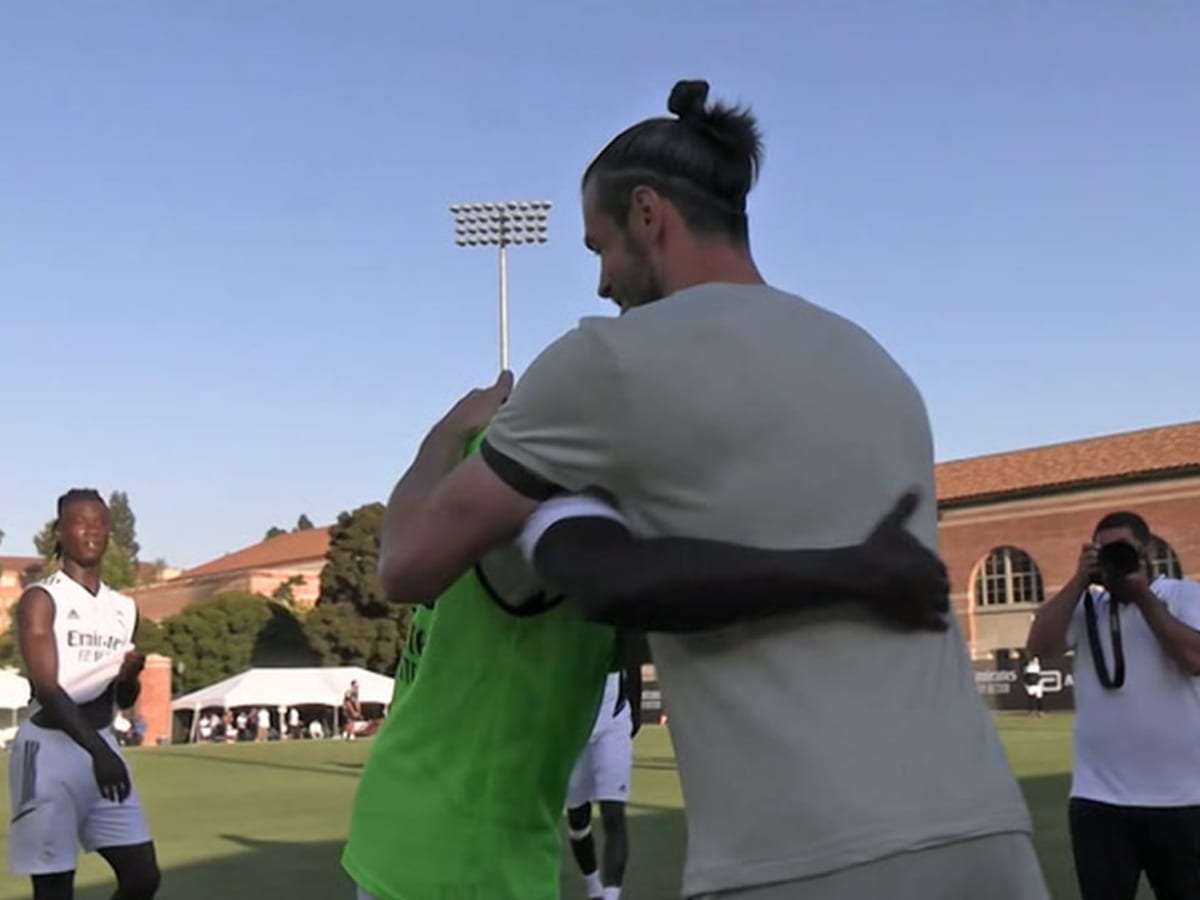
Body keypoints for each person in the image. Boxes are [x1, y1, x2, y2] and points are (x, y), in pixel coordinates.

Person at [373, 79, 1046, 900]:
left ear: (648, 214)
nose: (601, 283)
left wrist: (443, 435)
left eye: (599, 248)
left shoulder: (609, 360)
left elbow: (406, 569)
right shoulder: (873, 363)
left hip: (804, 854)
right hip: (986, 829)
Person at [347, 423, 949, 900]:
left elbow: (650, 623)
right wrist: (845, 572)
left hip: (402, 828)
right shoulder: (545, 481)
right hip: (461, 860)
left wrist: (442, 435)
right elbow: (624, 585)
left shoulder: (464, 495)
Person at [1027, 511, 1200, 900]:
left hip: (1183, 799)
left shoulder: (1185, 596)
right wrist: (1078, 581)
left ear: (1149, 550)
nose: (1116, 560)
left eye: (1125, 551)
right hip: (1098, 800)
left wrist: (1143, 598)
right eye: (1105, 553)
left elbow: (1194, 659)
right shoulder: (1090, 607)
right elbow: (1039, 645)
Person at [7, 488, 160, 900]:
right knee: (55, 888)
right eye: (80, 522)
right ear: (60, 531)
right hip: (49, 753)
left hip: (101, 744)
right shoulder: (42, 599)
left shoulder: (124, 607)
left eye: (100, 523)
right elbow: (48, 690)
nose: (92, 531)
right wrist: (101, 752)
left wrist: (129, 676)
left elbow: (122, 698)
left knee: (143, 877)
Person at [565, 660, 641, 900]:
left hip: (614, 721)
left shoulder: (617, 625)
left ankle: (610, 896)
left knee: (614, 814)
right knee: (577, 820)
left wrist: (635, 712)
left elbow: (632, 658)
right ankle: (593, 888)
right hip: (573, 728)